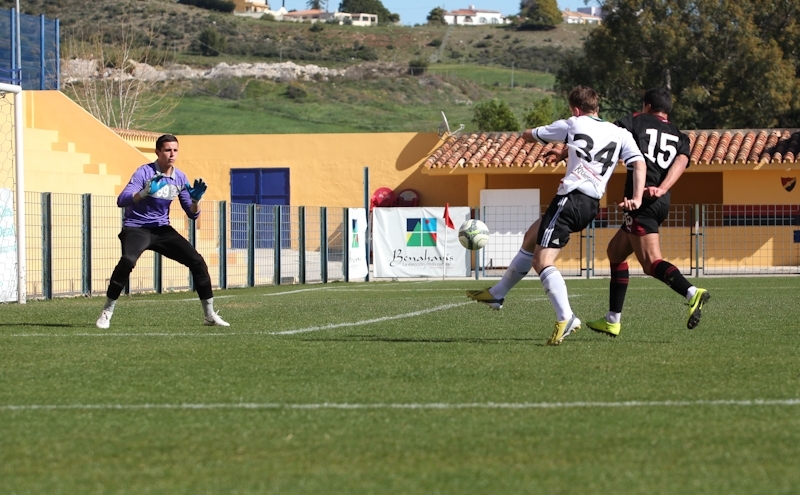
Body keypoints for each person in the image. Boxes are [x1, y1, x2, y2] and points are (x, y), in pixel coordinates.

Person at [467, 86, 647, 346]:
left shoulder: (573, 123)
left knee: (542, 260)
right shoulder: (620, 133)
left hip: (570, 198)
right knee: (532, 237)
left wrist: (522, 134)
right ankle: (497, 294)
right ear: (597, 108)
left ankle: (567, 317)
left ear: (575, 109)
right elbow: (638, 163)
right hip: (591, 203)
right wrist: (638, 197)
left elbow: (532, 135)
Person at [586, 88, 709, 338]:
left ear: (647, 106)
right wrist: (662, 189)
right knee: (615, 252)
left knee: (651, 262)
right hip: (660, 200)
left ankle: (692, 292)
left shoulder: (636, 121)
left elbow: (604, 135)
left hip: (640, 201)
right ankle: (612, 320)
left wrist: (568, 151)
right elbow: (682, 161)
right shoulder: (679, 135)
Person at [95, 134, 229, 329]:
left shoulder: (179, 177)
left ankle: (209, 315)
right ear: (157, 152)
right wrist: (143, 193)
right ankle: (107, 312)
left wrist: (195, 201)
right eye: (167, 150)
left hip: (162, 229)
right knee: (127, 261)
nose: (171, 154)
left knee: (197, 261)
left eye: (175, 150)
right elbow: (121, 200)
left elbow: (192, 214)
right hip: (136, 227)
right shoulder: (144, 172)